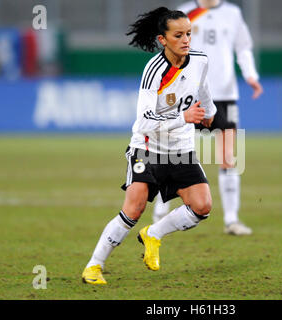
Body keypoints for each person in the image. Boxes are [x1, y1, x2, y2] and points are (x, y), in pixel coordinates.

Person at [81, 7, 216, 285]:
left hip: (180, 149)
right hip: (147, 148)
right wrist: (183, 117)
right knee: (134, 207)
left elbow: (202, 88)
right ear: (162, 40)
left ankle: (153, 234)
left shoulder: (200, 60)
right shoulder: (154, 71)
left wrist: (210, 111)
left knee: (202, 206)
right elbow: (143, 121)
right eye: (178, 35)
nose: (186, 40)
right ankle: (94, 266)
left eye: (189, 33)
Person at [153, 0, 263, 236]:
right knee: (173, 154)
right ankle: (161, 211)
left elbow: (243, 47)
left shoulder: (233, 13)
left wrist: (250, 75)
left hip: (224, 95)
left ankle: (232, 220)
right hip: (190, 94)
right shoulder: (185, 12)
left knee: (228, 156)